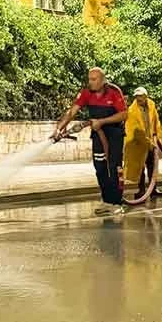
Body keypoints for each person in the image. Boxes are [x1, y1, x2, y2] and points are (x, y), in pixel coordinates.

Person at [54, 67, 128, 213]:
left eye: (94, 79)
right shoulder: (86, 93)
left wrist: (102, 121)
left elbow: (124, 115)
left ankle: (117, 202)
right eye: (89, 79)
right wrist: (59, 128)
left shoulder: (113, 92)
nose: (91, 82)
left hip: (114, 135)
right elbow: (72, 111)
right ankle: (107, 201)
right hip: (97, 134)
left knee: (113, 167)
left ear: (102, 80)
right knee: (99, 168)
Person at [123, 86, 162, 201]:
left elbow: (156, 121)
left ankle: (153, 189)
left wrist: (156, 136)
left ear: (146, 96)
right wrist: (149, 143)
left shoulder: (151, 105)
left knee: (152, 166)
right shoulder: (132, 111)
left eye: (140, 96)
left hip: (151, 141)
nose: (138, 98)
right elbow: (137, 132)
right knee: (140, 168)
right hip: (138, 144)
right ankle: (141, 190)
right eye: (137, 96)